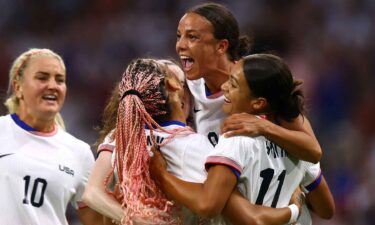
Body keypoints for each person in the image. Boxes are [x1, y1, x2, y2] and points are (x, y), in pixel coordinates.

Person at [83, 58, 306, 225]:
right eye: (185, 83)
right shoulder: (195, 146)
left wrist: (135, 219)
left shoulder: (121, 135)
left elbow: (92, 194)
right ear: (173, 88)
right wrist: (294, 207)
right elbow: (243, 214)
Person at [149, 54, 335, 224]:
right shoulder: (298, 146)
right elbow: (326, 210)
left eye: (234, 84)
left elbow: (208, 205)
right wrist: (297, 201)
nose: (224, 87)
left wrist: (161, 175)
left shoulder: (235, 138)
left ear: (259, 102)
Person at [177, 2, 322, 163]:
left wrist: (263, 126)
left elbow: (313, 151)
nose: (180, 45)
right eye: (179, 36)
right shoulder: (183, 88)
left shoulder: (257, 79)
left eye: (192, 37)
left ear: (221, 46)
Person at [0, 48, 102, 225]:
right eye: (42, 77)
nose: (53, 85)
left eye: (60, 80)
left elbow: (96, 222)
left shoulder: (79, 153)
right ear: (18, 87)